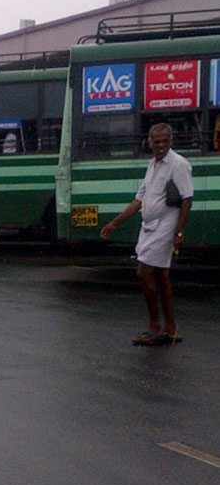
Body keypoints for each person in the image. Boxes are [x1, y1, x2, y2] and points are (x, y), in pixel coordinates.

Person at [100, 123, 193, 346]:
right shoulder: (152, 165)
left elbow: (187, 198)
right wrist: (114, 223)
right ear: (150, 142)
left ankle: (155, 326)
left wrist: (179, 230)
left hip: (165, 226)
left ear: (171, 141)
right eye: (157, 142)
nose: (161, 145)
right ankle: (170, 329)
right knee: (161, 277)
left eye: (165, 141)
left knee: (143, 272)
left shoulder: (178, 164)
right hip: (149, 226)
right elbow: (138, 201)